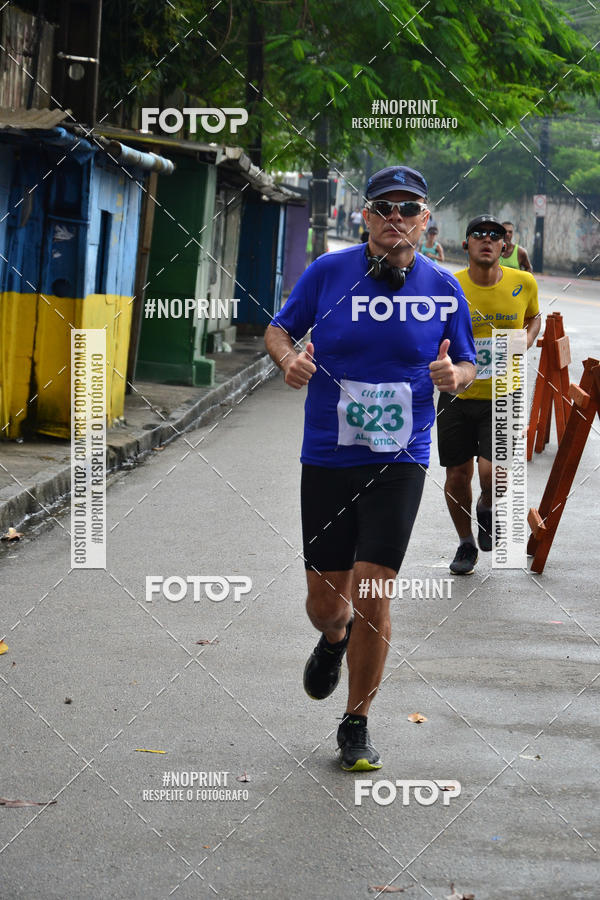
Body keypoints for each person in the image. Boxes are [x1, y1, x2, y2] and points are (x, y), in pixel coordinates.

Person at [264, 165, 476, 771]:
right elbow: (279, 329)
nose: (396, 220)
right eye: (384, 208)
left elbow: (467, 364)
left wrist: (452, 378)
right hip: (329, 455)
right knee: (328, 603)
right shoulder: (329, 273)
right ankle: (334, 638)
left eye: (408, 209)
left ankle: (356, 721)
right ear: (366, 217)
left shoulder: (442, 287)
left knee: (376, 589)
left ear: (425, 219)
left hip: (401, 458)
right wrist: (288, 361)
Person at [437, 215, 540, 575]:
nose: (486, 239)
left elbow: (534, 318)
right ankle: (466, 543)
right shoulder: (450, 285)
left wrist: (527, 338)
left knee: (491, 476)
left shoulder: (523, 283)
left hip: (502, 394)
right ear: (466, 244)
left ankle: (487, 507)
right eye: (478, 234)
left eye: (495, 235)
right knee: (456, 476)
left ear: (504, 246)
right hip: (456, 395)